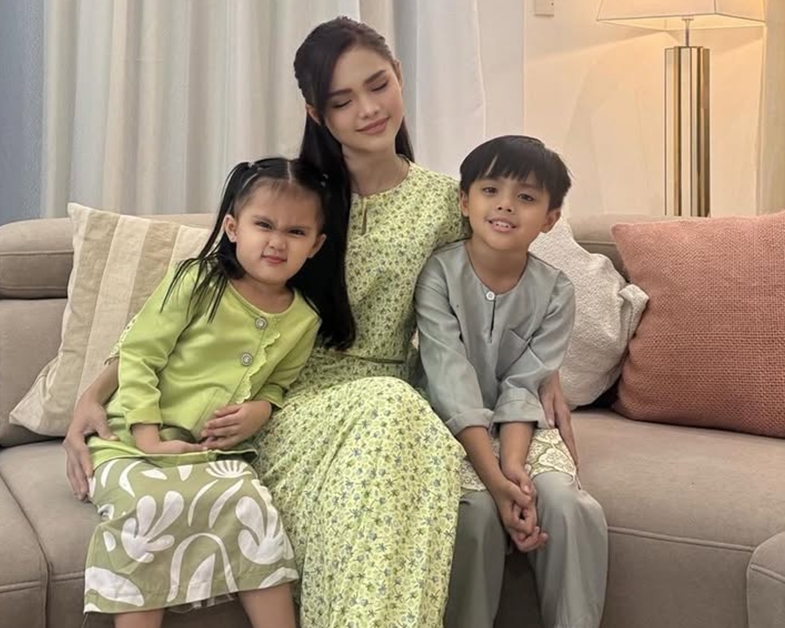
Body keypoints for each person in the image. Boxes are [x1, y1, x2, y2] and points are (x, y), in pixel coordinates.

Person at [64, 17, 573, 627]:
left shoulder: (450, 201)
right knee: (393, 410)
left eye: (377, 85)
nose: (368, 109)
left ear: (399, 76)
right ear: (317, 113)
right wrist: (93, 393)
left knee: (397, 413)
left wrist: (542, 371)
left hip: (400, 403)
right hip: (290, 403)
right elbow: (197, 302)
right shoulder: (296, 200)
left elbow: (503, 284)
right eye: (342, 100)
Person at [81, 157, 351, 628]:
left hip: (211, 453)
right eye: (263, 225)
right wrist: (147, 437)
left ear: (315, 245)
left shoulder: (303, 319)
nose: (277, 242)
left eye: (295, 232)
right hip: (127, 440)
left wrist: (261, 409)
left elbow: (278, 383)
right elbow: (140, 356)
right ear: (232, 227)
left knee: (255, 510)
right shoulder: (196, 281)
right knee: (148, 509)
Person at [416, 135, 608, 628]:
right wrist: (495, 479)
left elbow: (526, 384)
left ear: (550, 218)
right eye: (490, 190)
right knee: (476, 513)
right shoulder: (438, 275)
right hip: (449, 428)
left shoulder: (556, 291)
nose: (505, 204)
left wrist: (514, 468)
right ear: (464, 201)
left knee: (566, 506)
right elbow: (450, 380)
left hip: (523, 429)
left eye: (525, 196)